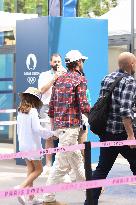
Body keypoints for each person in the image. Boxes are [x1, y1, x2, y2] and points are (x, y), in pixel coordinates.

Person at [84, 52, 136, 205]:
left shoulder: (107, 78)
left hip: (107, 133)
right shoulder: (130, 81)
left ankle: (90, 202)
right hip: (123, 134)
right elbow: (125, 111)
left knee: (101, 170)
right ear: (131, 64)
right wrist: (131, 136)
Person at [43, 50, 91, 203]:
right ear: (77, 63)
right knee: (61, 164)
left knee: (76, 160)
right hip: (71, 128)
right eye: (82, 61)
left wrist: (54, 126)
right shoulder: (79, 79)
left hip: (60, 126)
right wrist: (96, 117)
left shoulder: (59, 79)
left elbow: (51, 106)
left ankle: (92, 190)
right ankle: (48, 197)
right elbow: (84, 105)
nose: (83, 64)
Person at [16, 87, 55, 205]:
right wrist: (51, 134)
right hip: (32, 146)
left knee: (31, 169)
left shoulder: (20, 110)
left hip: (23, 145)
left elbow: (20, 129)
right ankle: (21, 188)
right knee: (39, 169)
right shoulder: (32, 111)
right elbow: (37, 129)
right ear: (35, 99)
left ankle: (31, 197)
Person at [38, 53, 66, 175]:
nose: (57, 64)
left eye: (59, 62)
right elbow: (42, 90)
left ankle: (60, 166)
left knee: (63, 137)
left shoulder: (66, 74)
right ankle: (48, 166)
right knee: (49, 137)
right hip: (47, 108)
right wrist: (54, 78)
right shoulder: (44, 75)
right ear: (50, 63)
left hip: (61, 108)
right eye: (55, 62)